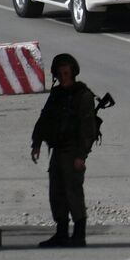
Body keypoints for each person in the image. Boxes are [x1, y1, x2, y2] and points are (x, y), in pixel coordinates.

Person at [31, 53, 99, 247]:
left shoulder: (83, 95)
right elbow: (44, 119)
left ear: (73, 72)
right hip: (58, 150)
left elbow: (88, 128)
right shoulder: (56, 95)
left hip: (73, 151)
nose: (63, 76)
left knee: (73, 192)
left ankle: (79, 234)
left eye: (66, 72)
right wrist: (36, 142)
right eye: (60, 73)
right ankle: (61, 232)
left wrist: (81, 155)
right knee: (56, 192)